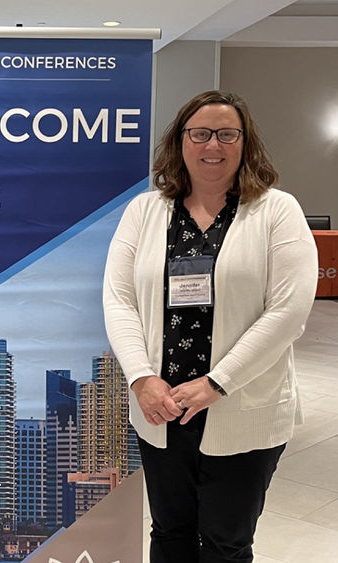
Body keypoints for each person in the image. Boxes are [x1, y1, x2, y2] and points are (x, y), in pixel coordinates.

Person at [103, 91, 318, 563]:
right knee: (170, 533)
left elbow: (288, 311)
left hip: (242, 402)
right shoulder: (145, 211)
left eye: (226, 134)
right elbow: (118, 299)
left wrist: (217, 383)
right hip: (161, 405)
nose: (212, 145)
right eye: (199, 134)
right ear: (181, 142)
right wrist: (141, 378)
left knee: (226, 542)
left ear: (245, 143)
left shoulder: (276, 210)